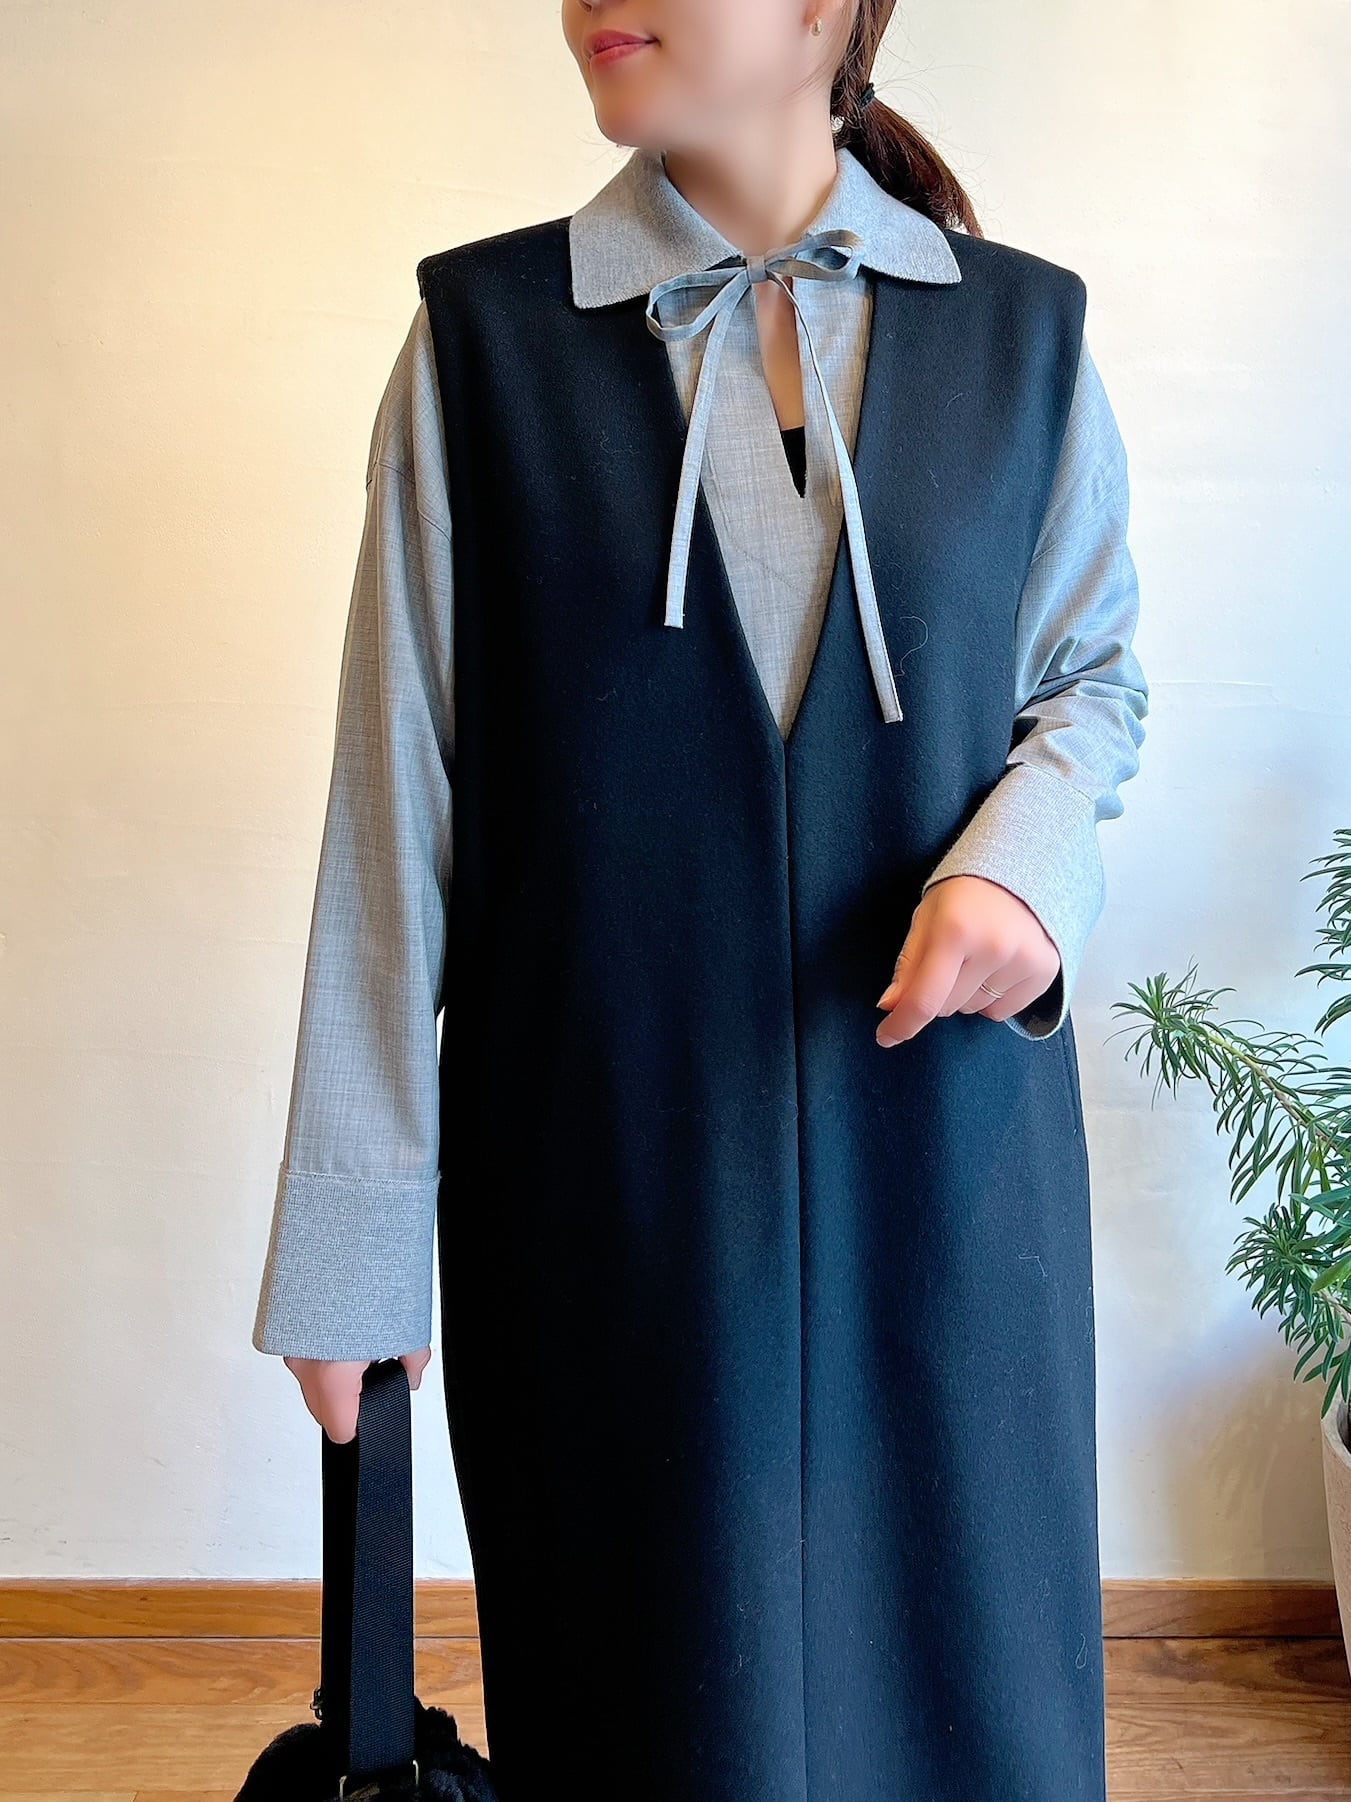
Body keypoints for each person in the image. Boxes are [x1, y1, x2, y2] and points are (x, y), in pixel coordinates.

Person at [252, 2, 1148, 1796]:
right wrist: (353, 1245)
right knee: (657, 1711)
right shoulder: (482, 351)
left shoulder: (1025, 340)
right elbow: (393, 810)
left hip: (951, 1194)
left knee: (969, 1710)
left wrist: (1022, 871)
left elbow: (1091, 683)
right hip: (605, 1202)